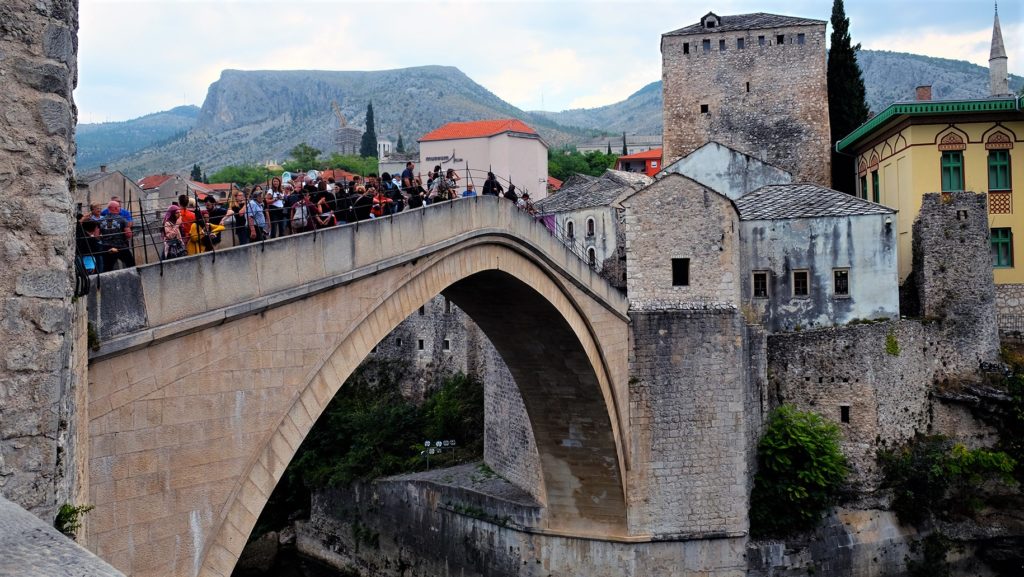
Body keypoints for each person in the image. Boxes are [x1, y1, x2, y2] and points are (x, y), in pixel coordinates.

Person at [98, 200, 135, 270]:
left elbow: (97, 236)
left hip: (107, 247)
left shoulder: (100, 220)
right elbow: (128, 234)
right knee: (131, 264)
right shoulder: (122, 219)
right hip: (121, 246)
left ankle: (107, 281)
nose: (120, 208)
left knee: (107, 269)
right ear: (115, 208)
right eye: (119, 207)